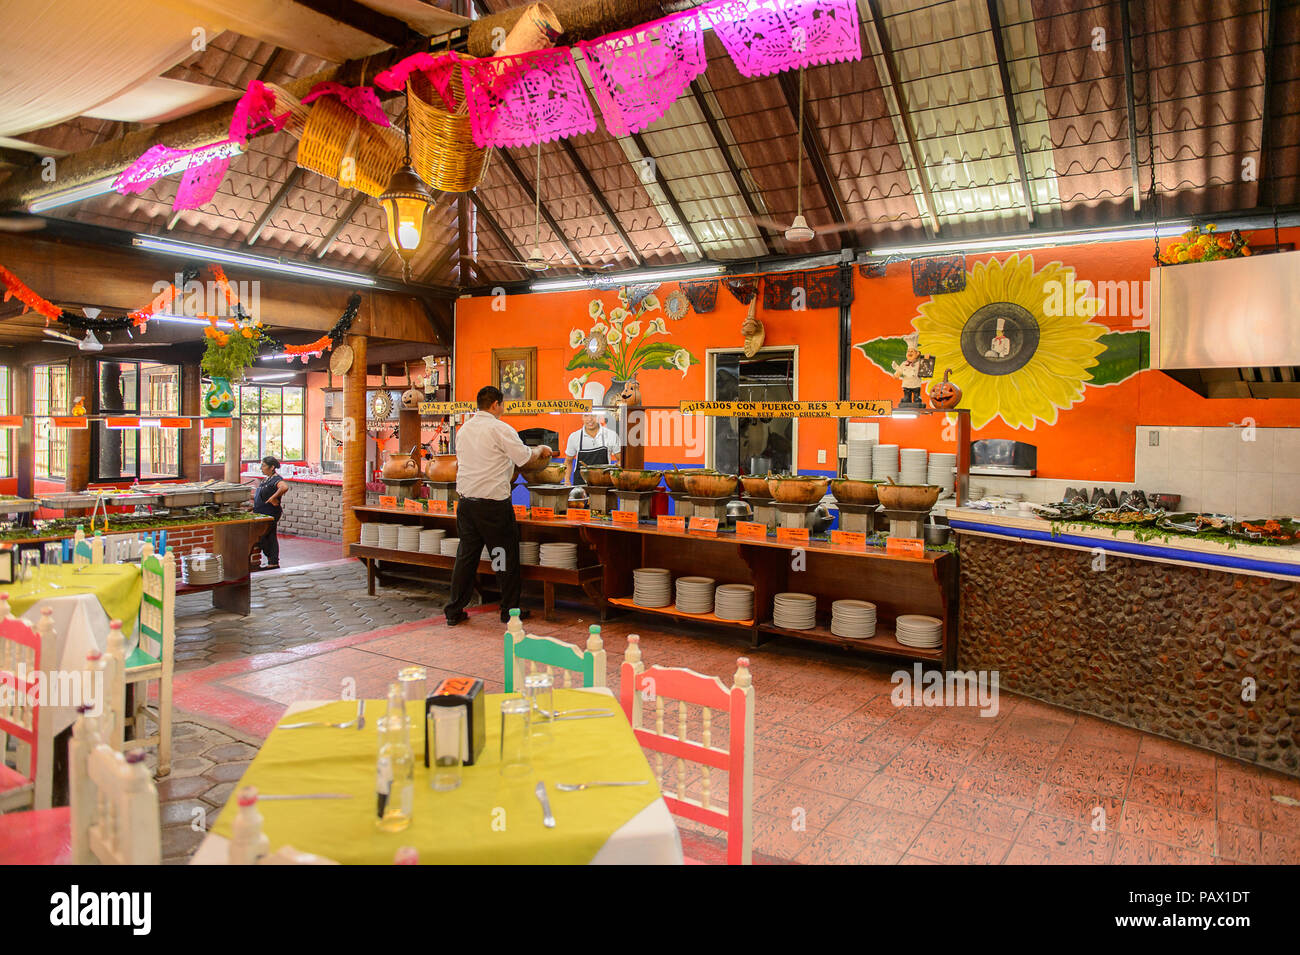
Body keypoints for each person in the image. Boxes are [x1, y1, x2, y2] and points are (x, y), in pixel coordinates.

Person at [444, 385, 553, 627]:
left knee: (466, 557)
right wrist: (540, 449)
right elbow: (524, 458)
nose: (502, 409)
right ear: (495, 404)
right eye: (502, 405)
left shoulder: (464, 430)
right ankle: (509, 611)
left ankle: (453, 610)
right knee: (503, 557)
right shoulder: (500, 428)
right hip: (492, 506)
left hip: (466, 504)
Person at [563, 411, 620, 483]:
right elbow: (568, 461)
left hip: (603, 484)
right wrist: (567, 481)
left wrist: (614, 471)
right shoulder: (574, 437)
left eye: (593, 415)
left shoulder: (611, 435)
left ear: (599, 416)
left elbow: (620, 459)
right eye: (586, 415)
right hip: (581, 485)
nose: (590, 419)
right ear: (582, 417)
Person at [252, 455, 288, 569]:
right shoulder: (266, 479)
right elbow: (262, 496)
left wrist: (273, 498)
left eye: (263, 466)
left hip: (270, 512)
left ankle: (273, 562)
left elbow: (284, 487)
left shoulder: (276, 479)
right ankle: (271, 561)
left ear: (272, 467)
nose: (261, 468)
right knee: (266, 536)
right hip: (261, 512)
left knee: (267, 536)